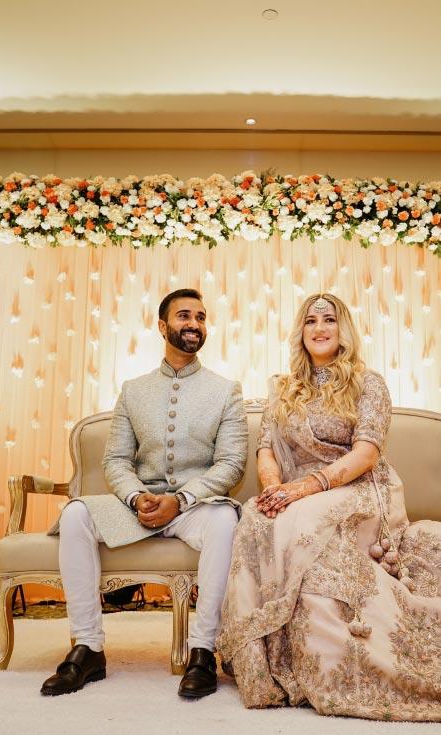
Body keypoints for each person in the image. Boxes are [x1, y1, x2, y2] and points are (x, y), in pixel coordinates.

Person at [217, 293, 441, 721]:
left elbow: (367, 453)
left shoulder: (367, 382)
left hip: (357, 485)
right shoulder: (284, 389)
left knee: (305, 520)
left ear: (344, 329)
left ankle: (332, 664)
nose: (319, 328)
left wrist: (306, 488)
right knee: (257, 518)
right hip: (296, 491)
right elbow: (266, 449)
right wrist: (273, 490)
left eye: (329, 320)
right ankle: (262, 663)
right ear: (300, 332)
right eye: (311, 321)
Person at [41, 288, 248, 698]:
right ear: (162, 326)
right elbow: (116, 460)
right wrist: (137, 498)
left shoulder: (225, 390)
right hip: (140, 505)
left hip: (195, 507)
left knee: (226, 518)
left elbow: (231, 464)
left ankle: (203, 651)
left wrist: (181, 500)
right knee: (75, 513)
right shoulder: (133, 390)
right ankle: (88, 647)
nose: (194, 324)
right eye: (184, 316)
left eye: (201, 317)